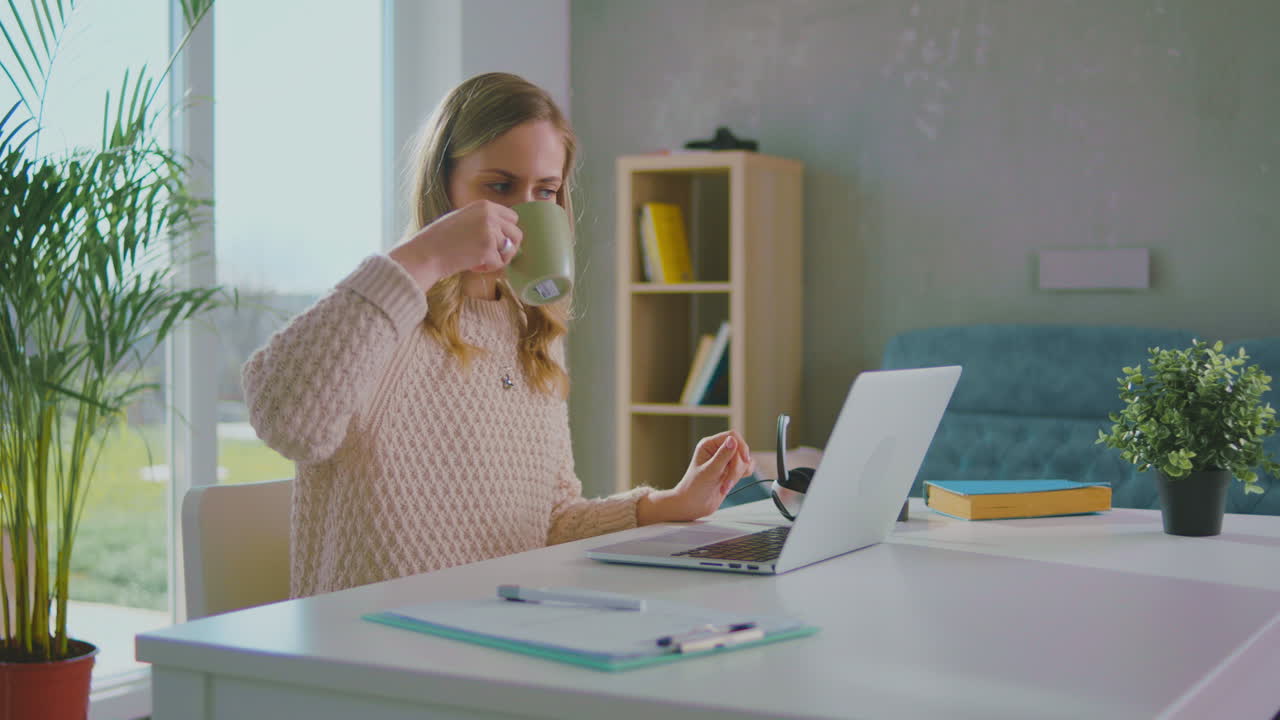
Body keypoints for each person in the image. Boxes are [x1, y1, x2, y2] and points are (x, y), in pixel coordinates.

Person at [243, 72, 755, 598]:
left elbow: (550, 522)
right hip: (378, 646)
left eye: (546, 191)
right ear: (442, 184)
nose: (524, 211)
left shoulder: (532, 331)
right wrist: (426, 255)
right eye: (499, 186)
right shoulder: (381, 311)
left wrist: (670, 504)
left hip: (498, 633)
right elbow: (289, 423)